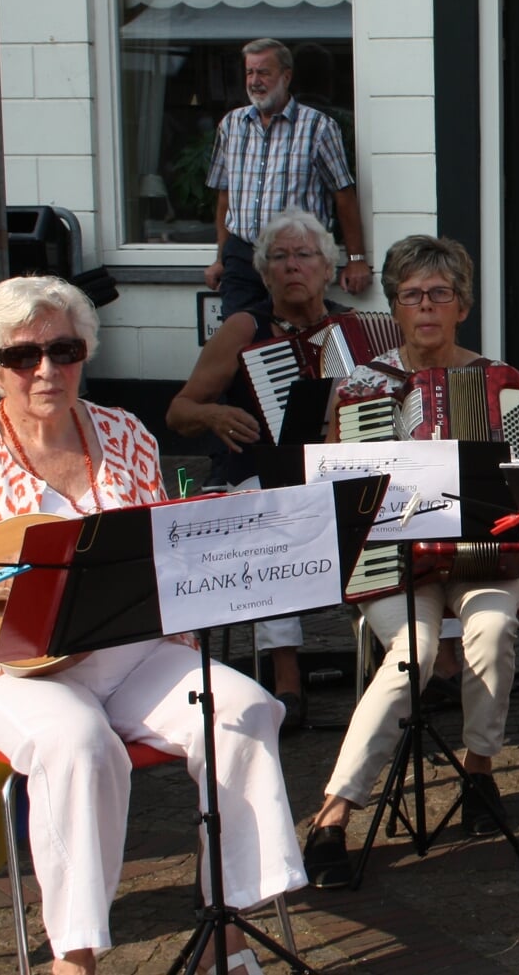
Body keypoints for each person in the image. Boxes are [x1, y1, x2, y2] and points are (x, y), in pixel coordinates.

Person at [0, 277, 302, 975]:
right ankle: (75, 954)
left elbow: (161, 555)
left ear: (85, 352)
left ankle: (230, 925)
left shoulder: (125, 431)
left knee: (243, 710)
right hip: (4, 666)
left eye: (63, 350)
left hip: (128, 652)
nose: (46, 370)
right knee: (78, 743)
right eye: (22, 355)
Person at [300, 236, 519, 887]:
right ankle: (333, 813)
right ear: (395, 306)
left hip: (485, 559)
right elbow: (336, 485)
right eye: (411, 294)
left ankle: (480, 774)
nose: (425, 305)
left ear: (461, 305)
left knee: (492, 629)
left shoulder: (501, 381)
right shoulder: (365, 385)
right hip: (395, 564)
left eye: (439, 293)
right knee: (414, 652)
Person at [168, 209, 351, 727]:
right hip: (256, 474)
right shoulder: (245, 328)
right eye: (280, 257)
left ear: (328, 267)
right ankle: (286, 680)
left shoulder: (351, 331)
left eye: (305, 255)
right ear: (265, 272)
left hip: (331, 472)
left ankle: (416, 664)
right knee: (273, 514)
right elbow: (178, 411)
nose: (293, 267)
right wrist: (211, 412)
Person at [205, 37, 368, 312]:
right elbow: (224, 195)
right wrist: (220, 257)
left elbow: (344, 195)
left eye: (264, 72)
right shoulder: (231, 125)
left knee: (297, 335)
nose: (255, 81)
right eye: (250, 72)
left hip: (297, 257)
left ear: (286, 76)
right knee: (240, 336)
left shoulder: (318, 127)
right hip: (243, 255)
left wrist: (356, 258)